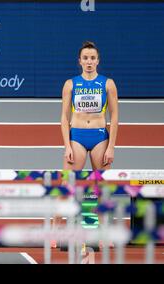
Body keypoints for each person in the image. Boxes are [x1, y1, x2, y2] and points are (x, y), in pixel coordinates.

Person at [56, 41, 119, 248]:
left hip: (101, 136)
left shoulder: (108, 83)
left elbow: (115, 116)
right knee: (67, 186)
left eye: (92, 58)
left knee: (102, 189)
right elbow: (64, 118)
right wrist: (66, 145)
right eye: (85, 58)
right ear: (79, 61)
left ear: (98, 60)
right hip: (77, 137)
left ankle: (103, 234)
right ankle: (57, 231)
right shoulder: (70, 84)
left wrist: (111, 147)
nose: (89, 62)